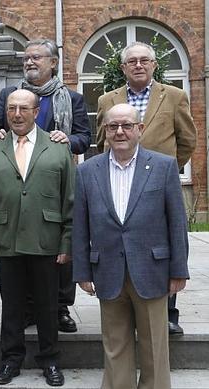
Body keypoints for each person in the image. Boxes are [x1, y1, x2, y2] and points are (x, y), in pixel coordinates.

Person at [73, 103, 189, 389]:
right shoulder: (88, 171)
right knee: (115, 346)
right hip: (108, 270)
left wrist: (179, 270)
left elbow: (177, 222)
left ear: (140, 129)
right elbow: (80, 225)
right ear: (105, 131)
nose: (120, 132)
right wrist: (82, 272)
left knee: (155, 349)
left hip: (152, 270)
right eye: (113, 127)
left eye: (126, 125)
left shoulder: (163, 166)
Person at [0, 38, 90, 333]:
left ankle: (60, 307)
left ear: (53, 63)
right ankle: (28, 308)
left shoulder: (72, 99)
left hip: (55, 179)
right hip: (17, 176)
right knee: (22, 250)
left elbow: (85, 138)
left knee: (59, 246)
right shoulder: (10, 95)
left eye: (36, 58)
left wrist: (67, 139)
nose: (29, 62)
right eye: (26, 58)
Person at [0, 89, 74, 387]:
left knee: (47, 306)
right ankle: (10, 360)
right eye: (12, 109)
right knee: (12, 306)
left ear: (36, 110)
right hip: (7, 241)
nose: (17, 114)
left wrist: (67, 243)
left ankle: (50, 360)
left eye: (23, 109)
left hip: (47, 241)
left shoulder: (57, 148)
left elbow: (70, 200)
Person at [96, 41, 197, 335]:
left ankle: (168, 311)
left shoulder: (175, 96)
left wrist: (162, 173)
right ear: (123, 67)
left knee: (166, 243)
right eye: (132, 62)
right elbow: (103, 141)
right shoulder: (107, 100)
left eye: (144, 60)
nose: (138, 65)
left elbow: (187, 140)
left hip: (158, 187)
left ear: (153, 65)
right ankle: (127, 301)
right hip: (121, 184)